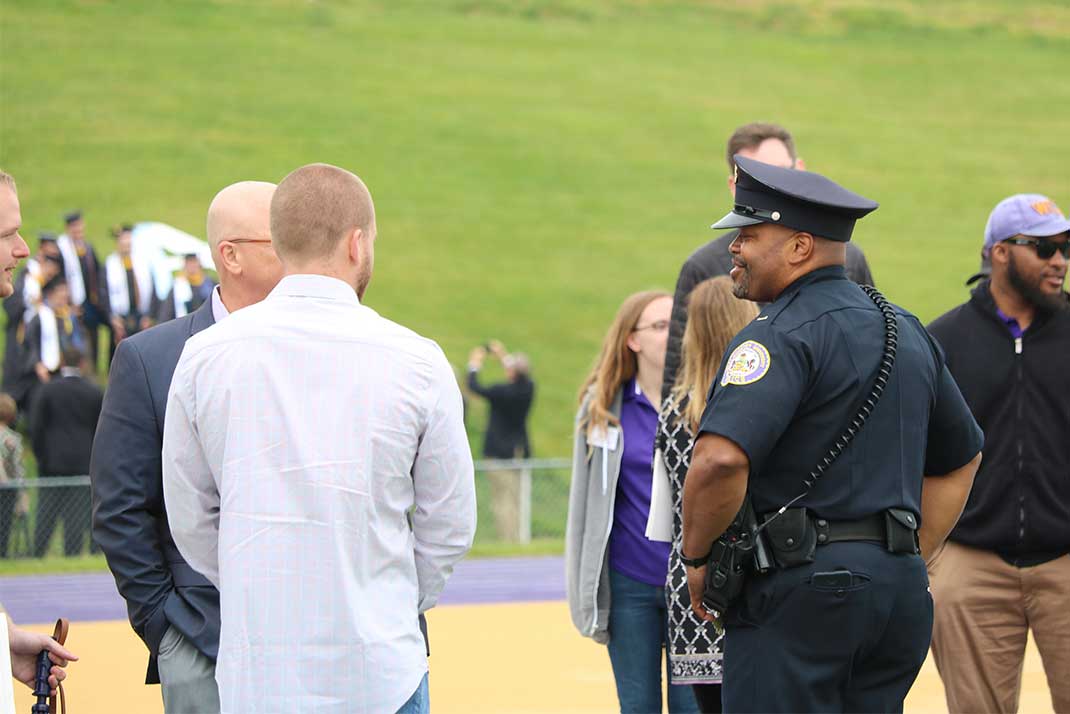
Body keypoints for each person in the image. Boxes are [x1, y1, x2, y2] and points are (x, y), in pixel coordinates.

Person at [161, 163, 476, 713]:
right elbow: (448, 523)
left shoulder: (206, 355)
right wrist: (390, 598)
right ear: (357, 244)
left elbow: (189, 515)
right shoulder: (417, 361)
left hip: (259, 671)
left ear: (281, 246)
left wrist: (253, 581)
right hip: (381, 669)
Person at [680, 156, 984, 713]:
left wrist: (697, 559)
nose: (733, 248)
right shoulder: (906, 330)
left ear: (799, 248)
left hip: (800, 596)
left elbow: (720, 461)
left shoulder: (776, 337)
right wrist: (908, 553)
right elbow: (962, 457)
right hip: (897, 595)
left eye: (747, 234)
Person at [91, 180, 282, 714]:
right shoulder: (149, 359)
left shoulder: (324, 347)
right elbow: (120, 507)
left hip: (311, 641)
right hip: (200, 640)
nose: (299, 253)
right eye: (280, 240)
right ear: (232, 255)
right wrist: (167, 629)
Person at [926, 193, 1070, 714]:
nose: (1060, 261)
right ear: (999, 253)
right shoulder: (942, 341)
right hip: (970, 564)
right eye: (1045, 248)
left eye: (1065, 248)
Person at [662, 122, 875, 403]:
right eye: (757, 177)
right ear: (734, 187)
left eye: (781, 172)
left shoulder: (850, 259)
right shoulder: (703, 267)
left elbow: (872, 357)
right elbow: (678, 381)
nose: (774, 185)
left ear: (800, 168)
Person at [566, 289, 699, 714]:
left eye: (677, 324)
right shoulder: (603, 408)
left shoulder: (705, 402)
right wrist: (583, 589)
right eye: (660, 326)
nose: (672, 334)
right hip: (630, 586)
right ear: (632, 339)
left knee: (692, 708)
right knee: (637, 705)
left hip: (693, 586)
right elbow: (583, 506)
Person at [656, 277, 757, 713]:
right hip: (754, 580)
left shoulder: (674, 413)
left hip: (690, 587)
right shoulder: (759, 405)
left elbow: (662, 519)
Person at [29, 347, 102, 557]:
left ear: (61, 363)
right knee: (76, 512)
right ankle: (73, 551)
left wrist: (41, 456)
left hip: (52, 462)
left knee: (46, 510)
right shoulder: (93, 392)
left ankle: (38, 551)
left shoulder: (47, 390)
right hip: (83, 461)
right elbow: (101, 428)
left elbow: (36, 427)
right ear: (82, 364)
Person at [467, 339, 535, 541]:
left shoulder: (501, 392)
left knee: (502, 502)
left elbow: (475, 386)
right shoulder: (529, 388)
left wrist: (474, 364)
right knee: (515, 499)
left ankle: (508, 539)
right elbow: (516, 372)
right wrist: (502, 354)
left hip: (497, 452)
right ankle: (518, 538)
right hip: (517, 452)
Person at [20, 275, 88, 416]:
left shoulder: (67, 317)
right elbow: (30, 341)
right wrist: (37, 364)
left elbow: (76, 341)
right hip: (42, 370)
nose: (64, 298)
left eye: (65, 295)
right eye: (60, 294)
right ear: (51, 294)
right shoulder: (40, 316)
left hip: (62, 367)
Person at [56, 211, 107, 370]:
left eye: (80, 226)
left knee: (93, 337)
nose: (78, 231)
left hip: (90, 303)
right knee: (76, 339)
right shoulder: (62, 250)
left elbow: (97, 273)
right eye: (74, 227)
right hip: (72, 303)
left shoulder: (88, 248)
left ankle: (94, 368)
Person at [104, 223, 158, 358]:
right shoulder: (110, 264)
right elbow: (103, 294)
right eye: (123, 241)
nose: (126, 244)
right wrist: (111, 317)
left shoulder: (142, 262)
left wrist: (149, 316)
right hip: (120, 318)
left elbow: (152, 291)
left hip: (141, 315)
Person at [156, 253, 215, 323]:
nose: (192, 265)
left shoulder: (209, 284)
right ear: (185, 265)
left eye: (194, 262)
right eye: (189, 263)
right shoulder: (178, 286)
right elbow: (167, 312)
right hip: (186, 326)